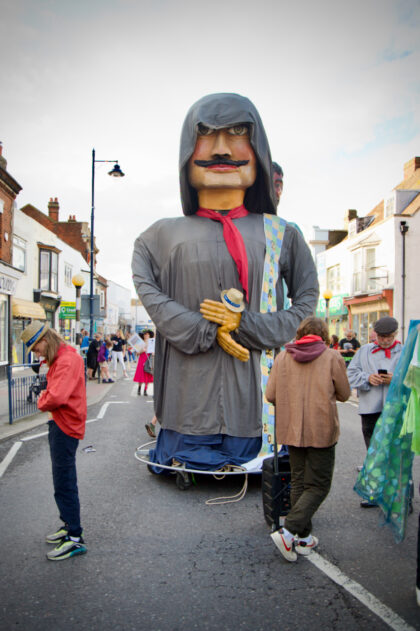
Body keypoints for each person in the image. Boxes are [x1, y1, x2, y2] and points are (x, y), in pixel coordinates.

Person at [132, 92, 319, 471]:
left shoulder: (282, 234)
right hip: (187, 400)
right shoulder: (158, 236)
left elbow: (306, 300)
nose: (220, 149)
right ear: (187, 149)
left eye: (237, 132)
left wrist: (245, 324)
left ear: (259, 149)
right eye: (204, 134)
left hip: (254, 403)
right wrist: (205, 329)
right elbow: (148, 290)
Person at [265, 316, 350, 562]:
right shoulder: (332, 357)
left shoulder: (282, 357)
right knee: (319, 485)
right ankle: (290, 530)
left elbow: (270, 394)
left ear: (300, 333)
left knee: (300, 483)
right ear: (323, 335)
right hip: (321, 429)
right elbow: (344, 394)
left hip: (291, 429)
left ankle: (303, 538)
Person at [20, 321, 87, 561]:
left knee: (65, 481)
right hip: (61, 422)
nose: (36, 354)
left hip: (65, 425)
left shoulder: (67, 360)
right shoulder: (62, 358)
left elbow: (56, 396)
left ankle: (75, 538)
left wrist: (41, 400)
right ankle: (68, 525)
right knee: (61, 480)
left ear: (45, 340)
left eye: (36, 349)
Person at [347, 316, 402, 506]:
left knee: (395, 453)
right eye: (381, 337)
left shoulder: (403, 352)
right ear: (375, 335)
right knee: (373, 452)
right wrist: (368, 378)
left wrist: (395, 379)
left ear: (395, 334)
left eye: (389, 337)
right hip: (370, 409)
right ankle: (373, 493)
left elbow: (413, 380)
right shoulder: (364, 351)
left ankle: (399, 496)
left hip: (395, 410)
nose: (385, 340)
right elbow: (350, 375)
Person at [133, 330, 154, 396]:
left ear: (150, 335)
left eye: (148, 335)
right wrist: (142, 350)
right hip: (142, 359)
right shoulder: (140, 343)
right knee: (141, 375)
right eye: (145, 335)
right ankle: (139, 389)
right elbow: (137, 353)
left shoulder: (152, 342)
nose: (146, 336)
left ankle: (145, 390)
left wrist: (153, 353)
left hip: (149, 359)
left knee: (147, 375)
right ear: (143, 336)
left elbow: (154, 351)